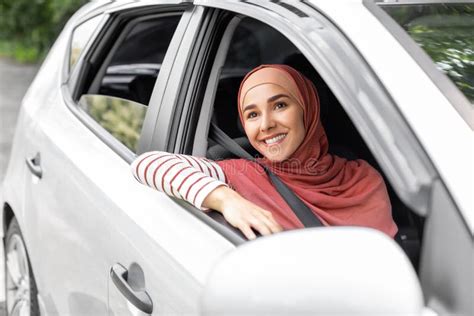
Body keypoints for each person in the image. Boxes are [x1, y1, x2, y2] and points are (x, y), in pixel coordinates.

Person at [131, 64, 398, 240]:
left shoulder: (363, 179)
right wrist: (227, 200)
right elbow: (147, 164)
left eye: (280, 105)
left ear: (308, 108)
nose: (267, 124)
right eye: (252, 115)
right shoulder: (239, 175)